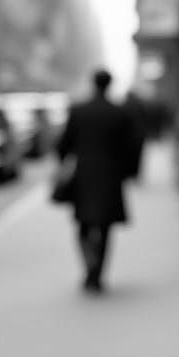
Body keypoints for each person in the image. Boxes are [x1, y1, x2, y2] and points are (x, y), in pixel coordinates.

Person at [56, 68, 137, 292]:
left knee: (83, 224)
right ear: (109, 85)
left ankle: (89, 268)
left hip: (84, 175)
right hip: (111, 176)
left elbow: (63, 144)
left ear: (94, 83)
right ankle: (97, 272)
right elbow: (131, 146)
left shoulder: (79, 111)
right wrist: (128, 171)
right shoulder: (119, 113)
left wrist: (66, 163)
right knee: (105, 227)